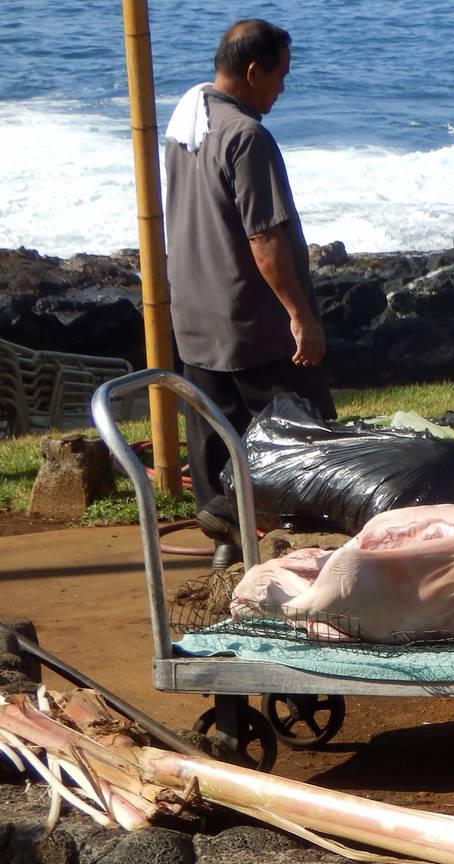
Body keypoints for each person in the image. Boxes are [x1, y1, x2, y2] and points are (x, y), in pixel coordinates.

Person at [164, 18, 334, 567]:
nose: (282, 88)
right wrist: (299, 314)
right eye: (280, 75)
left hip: (194, 315)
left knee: (218, 439)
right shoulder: (247, 137)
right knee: (305, 438)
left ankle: (226, 541)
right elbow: (265, 239)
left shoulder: (186, 123)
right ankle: (302, 558)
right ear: (254, 70)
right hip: (252, 323)